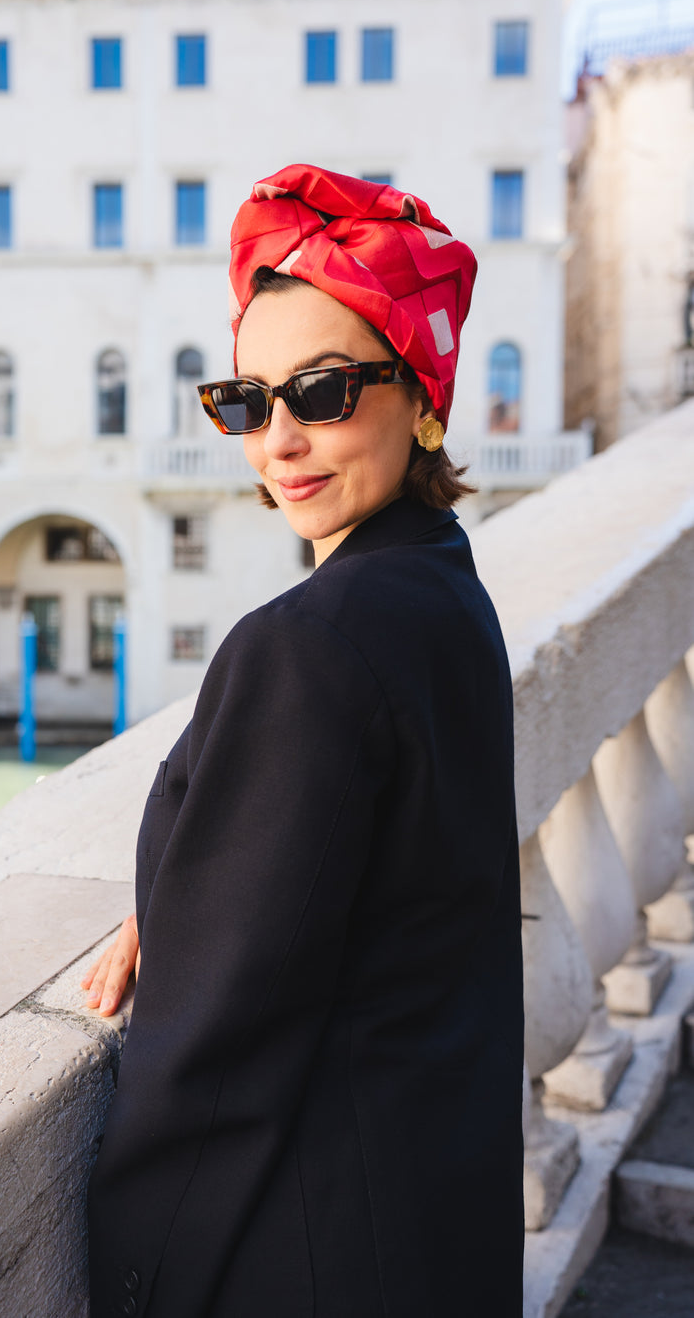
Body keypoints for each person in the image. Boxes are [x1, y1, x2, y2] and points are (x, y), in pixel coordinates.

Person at [82, 165, 524, 1318]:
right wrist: (190, 885)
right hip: (433, 1221)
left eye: (323, 391)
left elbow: (215, 1051)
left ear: (422, 395)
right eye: (246, 400)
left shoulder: (310, 644)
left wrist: (132, 1275)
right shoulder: (441, 587)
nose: (280, 440)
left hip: (312, 1251)